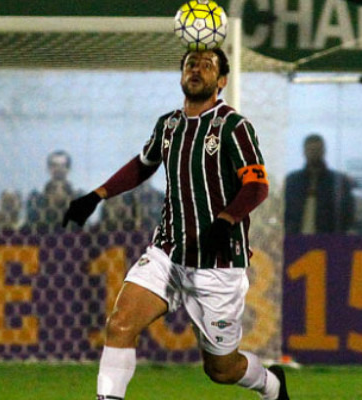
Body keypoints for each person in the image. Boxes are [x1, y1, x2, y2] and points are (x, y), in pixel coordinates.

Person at [62, 48, 290, 400]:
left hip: (217, 263)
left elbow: (257, 186)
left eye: (207, 65)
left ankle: (271, 384)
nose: (196, 69)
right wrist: (96, 195)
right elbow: (143, 165)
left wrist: (226, 220)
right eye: (190, 64)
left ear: (222, 80)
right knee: (120, 324)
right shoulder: (168, 125)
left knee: (221, 369)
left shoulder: (233, 127)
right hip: (168, 252)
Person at [283, 134, 355, 234]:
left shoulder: (337, 182)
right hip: (295, 239)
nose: (314, 153)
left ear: (323, 151)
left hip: (328, 240)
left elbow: (347, 214)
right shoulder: (293, 181)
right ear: (304, 152)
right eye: (310, 150)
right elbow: (286, 211)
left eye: (317, 150)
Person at [26, 150, 77, 228]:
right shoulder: (35, 199)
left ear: (69, 169)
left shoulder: (79, 198)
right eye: (54, 165)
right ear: (48, 168)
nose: (59, 169)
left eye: (63, 165)